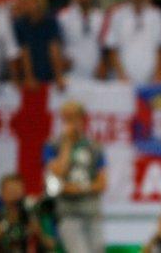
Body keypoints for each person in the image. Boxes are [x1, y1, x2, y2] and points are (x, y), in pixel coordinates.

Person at [43, 100, 107, 253]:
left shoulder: (94, 146)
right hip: (67, 212)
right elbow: (56, 177)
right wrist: (67, 144)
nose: (71, 123)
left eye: (74, 118)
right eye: (67, 119)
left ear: (82, 119)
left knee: (98, 250)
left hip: (91, 210)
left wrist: (78, 188)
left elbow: (102, 183)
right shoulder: (53, 145)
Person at [0, 174, 56, 253]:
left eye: (18, 190)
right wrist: (5, 224)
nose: (15, 195)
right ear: (2, 193)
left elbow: (52, 245)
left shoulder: (37, 214)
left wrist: (38, 232)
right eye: (11, 191)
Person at [103, 0, 161, 84]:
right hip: (122, 80)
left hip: (151, 80)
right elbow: (112, 48)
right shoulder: (116, 14)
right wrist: (121, 75)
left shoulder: (157, 14)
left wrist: (158, 74)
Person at [15, 0, 66, 89]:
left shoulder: (50, 21)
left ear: (39, 3)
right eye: (25, 2)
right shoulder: (19, 24)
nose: (27, 5)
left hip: (48, 69)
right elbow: (24, 52)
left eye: (30, 2)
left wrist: (58, 76)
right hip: (30, 70)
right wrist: (29, 77)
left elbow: (54, 49)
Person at [57, 0, 105, 80]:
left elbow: (106, 47)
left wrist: (105, 63)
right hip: (71, 76)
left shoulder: (100, 17)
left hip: (96, 76)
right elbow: (55, 45)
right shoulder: (62, 17)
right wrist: (61, 60)